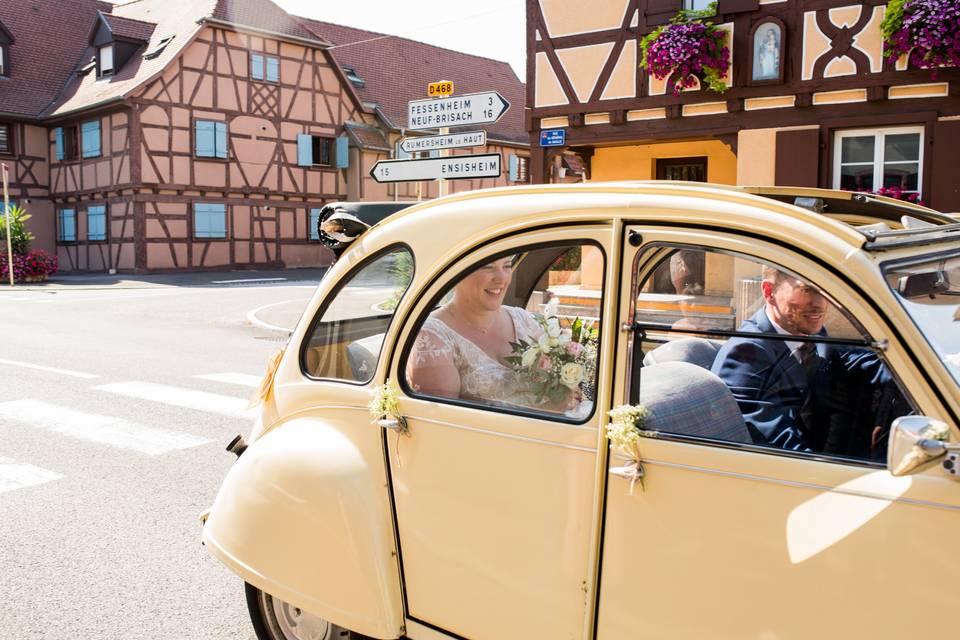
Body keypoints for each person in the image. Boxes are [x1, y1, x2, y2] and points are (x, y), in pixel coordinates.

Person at [711, 266, 829, 451]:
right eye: (807, 289)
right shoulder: (746, 353)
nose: (821, 303)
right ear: (769, 291)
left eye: (826, 289)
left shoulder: (812, 333)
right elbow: (774, 441)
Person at [406, 256, 544, 406]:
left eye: (506, 266)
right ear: (456, 272)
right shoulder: (431, 338)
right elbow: (443, 422)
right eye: (488, 267)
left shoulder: (523, 320)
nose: (502, 278)